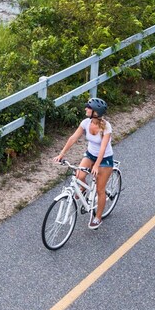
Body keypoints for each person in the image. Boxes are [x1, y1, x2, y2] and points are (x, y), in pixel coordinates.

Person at [52, 97, 113, 230]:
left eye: (88, 107)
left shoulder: (106, 127)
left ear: (95, 112)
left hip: (104, 159)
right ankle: (84, 188)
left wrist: (96, 165)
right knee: (79, 176)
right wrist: (61, 154)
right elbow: (73, 138)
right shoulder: (85, 122)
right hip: (90, 155)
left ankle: (97, 218)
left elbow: (103, 148)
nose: (85, 108)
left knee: (100, 190)